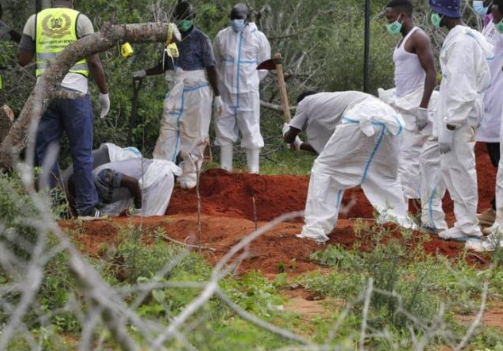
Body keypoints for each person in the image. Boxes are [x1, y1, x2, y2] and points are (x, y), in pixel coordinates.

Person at [17, 0, 110, 220]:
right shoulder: (81, 20)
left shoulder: (35, 20)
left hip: (45, 96)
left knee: (47, 155)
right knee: (82, 153)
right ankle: (87, 210)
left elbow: (22, 59)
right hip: (75, 95)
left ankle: (56, 211)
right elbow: (94, 61)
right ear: (74, 1)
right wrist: (104, 94)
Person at [285, 91, 414, 244]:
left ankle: (315, 231)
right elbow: (333, 148)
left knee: (324, 170)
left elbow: (290, 136)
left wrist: (286, 132)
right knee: (385, 177)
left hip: (361, 117)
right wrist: (300, 146)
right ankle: (399, 227)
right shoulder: (335, 102)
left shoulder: (305, 101)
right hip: (390, 118)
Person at [133, 1, 222, 190]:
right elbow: (166, 65)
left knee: (194, 132)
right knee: (167, 130)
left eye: (186, 19)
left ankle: (190, 173)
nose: (183, 23)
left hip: (196, 90)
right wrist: (145, 72)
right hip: (176, 88)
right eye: (180, 20)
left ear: (192, 19)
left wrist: (218, 95)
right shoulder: (171, 39)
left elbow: (211, 68)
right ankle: (160, 171)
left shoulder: (201, 39)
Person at [429, 0, 493, 241]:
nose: (434, 17)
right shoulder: (459, 39)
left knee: (461, 168)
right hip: (457, 116)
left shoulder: (462, 42)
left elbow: (462, 90)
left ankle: (469, 228)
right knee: (452, 168)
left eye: (435, 12)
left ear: (442, 12)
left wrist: (450, 125)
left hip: (460, 118)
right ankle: (464, 222)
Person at [382, 0, 447, 233]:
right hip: (404, 106)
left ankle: (416, 216)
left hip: (416, 107)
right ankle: (410, 216)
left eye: (390, 18)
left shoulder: (418, 38)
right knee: (406, 162)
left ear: (402, 15)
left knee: (412, 162)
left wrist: (423, 107)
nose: (387, 22)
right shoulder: (402, 41)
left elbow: (431, 73)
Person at [213, 3, 271, 174]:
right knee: (223, 126)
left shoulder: (258, 38)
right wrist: (219, 87)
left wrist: (251, 82)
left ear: (246, 19)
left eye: (239, 19)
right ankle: (225, 169)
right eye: (233, 19)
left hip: (248, 94)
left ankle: (253, 171)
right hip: (226, 92)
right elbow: (215, 63)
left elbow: (264, 64)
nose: (236, 22)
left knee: (251, 128)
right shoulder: (222, 36)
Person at [468, 0, 503, 252]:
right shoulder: (490, 26)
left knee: (500, 161)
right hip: (489, 102)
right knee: (496, 160)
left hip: (498, 101)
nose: (486, 9)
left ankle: (497, 218)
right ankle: (495, 212)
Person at [66, 145, 181, 217]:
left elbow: (133, 183)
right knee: (109, 213)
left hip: (157, 177)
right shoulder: (90, 190)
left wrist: (138, 207)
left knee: (148, 220)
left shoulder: (103, 176)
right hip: (141, 184)